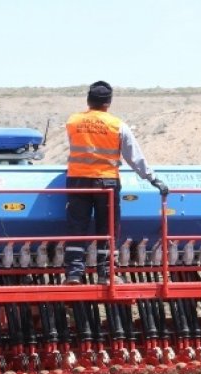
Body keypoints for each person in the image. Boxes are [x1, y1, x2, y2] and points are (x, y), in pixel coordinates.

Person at [64, 81, 168, 285]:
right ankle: (106, 273)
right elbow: (134, 156)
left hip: (77, 181)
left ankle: (74, 273)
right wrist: (152, 178)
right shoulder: (117, 125)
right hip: (106, 183)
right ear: (108, 103)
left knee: (76, 227)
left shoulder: (73, 121)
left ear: (88, 100)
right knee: (107, 228)